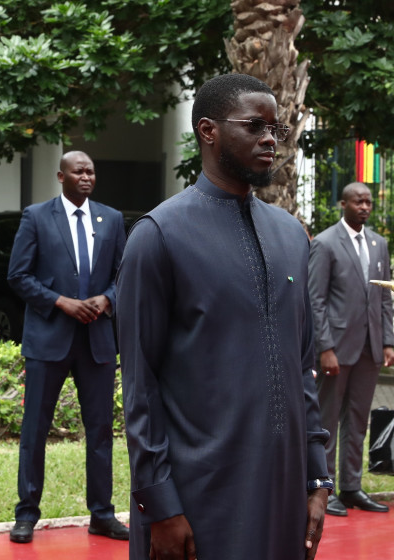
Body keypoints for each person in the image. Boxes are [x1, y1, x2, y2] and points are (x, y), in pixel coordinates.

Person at [117, 73, 331, 560]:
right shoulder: (158, 236)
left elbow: (302, 367)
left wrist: (317, 478)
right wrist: (161, 506)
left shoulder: (291, 236)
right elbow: (140, 386)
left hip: (283, 496)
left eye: (276, 128)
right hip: (197, 499)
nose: (270, 140)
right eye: (255, 126)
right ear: (208, 130)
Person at [6, 150, 128, 544]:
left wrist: (107, 299)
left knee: (100, 432)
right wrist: (61, 302)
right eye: (79, 171)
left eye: (91, 170)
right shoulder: (37, 217)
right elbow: (18, 275)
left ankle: (102, 514)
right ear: (62, 176)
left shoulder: (110, 219)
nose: (87, 176)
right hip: (48, 341)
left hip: (97, 343)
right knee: (34, 431)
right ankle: (26, 514)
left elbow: (123, 273)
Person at [308, 182, 394, 517]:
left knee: (358, 422)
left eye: (369, 202)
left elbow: (385, 298)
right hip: (337, 350)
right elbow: (316, 301)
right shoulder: (326, 243)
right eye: (358, 201)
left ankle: (352, 487)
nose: (365, 207)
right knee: (328, 420)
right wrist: (325, 347)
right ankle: (324, 487)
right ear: (343, 204)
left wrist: (387, 341)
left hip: (369, 348)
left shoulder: (379, 244)